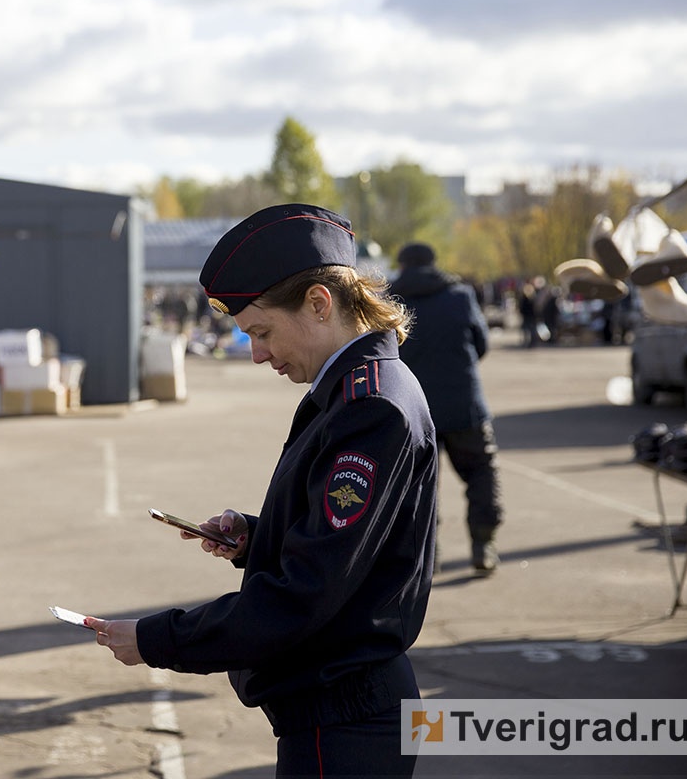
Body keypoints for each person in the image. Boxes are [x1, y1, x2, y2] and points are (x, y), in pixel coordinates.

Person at [87, 204, 438, 777]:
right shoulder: (354, 391)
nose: (256, 353)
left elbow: (305, 593)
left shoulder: (369, 407)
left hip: (344, 717)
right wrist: (257, 537)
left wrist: (157, 639)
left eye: (262, 332)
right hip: (338, 707)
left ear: (319, 303)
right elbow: (345, 547)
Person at [387, 242, 505, 572]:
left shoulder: (390, 301)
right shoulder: (460, 295)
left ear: (403, 264)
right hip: (464, 404)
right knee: (480, 471)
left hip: (412, 409)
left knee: (418, 483)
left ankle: (427, 554)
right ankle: (483, 545)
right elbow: (481, 344)